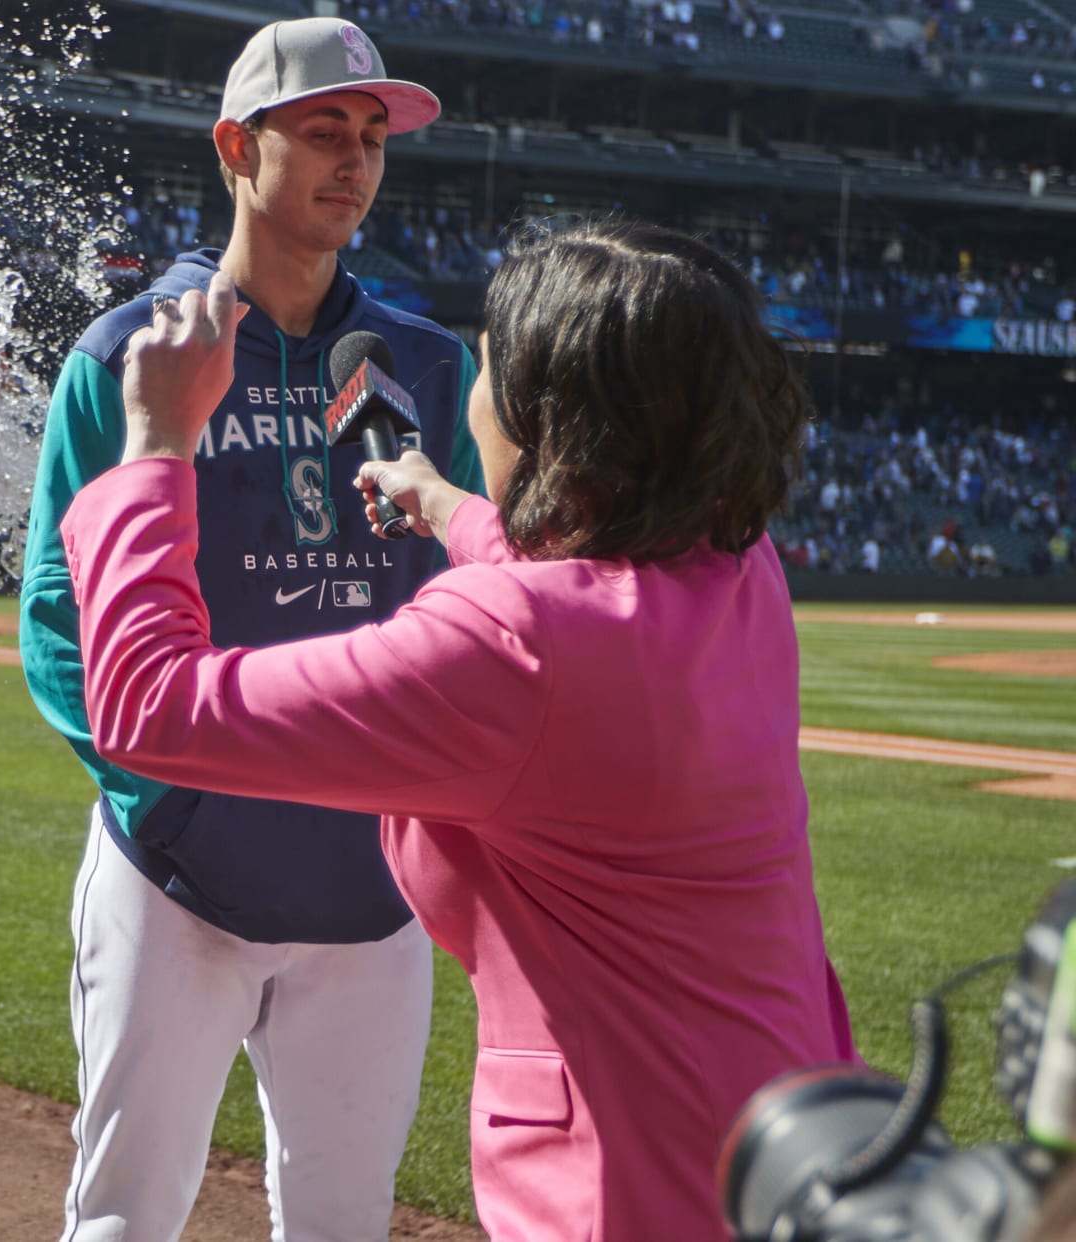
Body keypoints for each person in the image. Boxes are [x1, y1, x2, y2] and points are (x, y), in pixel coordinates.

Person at [61, 222, 853, 1239]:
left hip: (625, 1181)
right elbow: (589, 585)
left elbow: (148, 705)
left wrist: (159, 443)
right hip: (794, 1138)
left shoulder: (513, 645)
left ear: (545, 418)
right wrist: (445, 507)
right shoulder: (744, 573)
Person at [19, 18, 481, 1242]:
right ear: (236, 144)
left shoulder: (428, 369)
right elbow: (58, 623)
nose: (356, 160)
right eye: (323, 131)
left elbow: (476, 607)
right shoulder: (126, 358)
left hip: (371, 888)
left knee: (342, 1226)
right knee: (125, 1218)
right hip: (177, 877)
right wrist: (173, 804)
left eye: (373, 138)